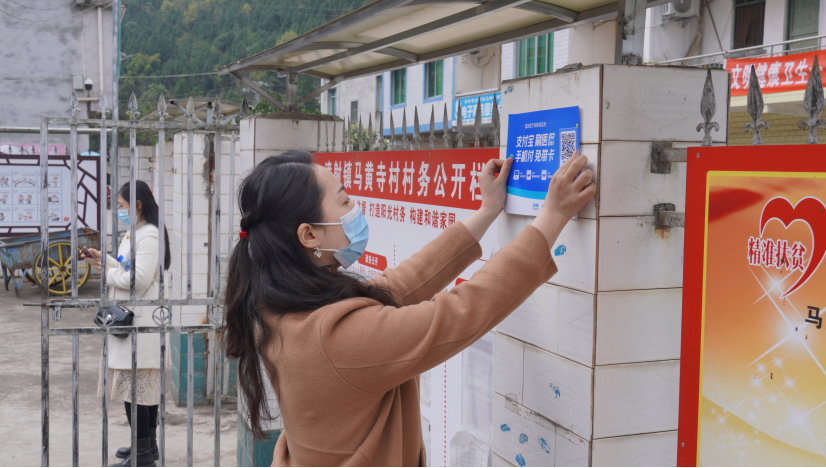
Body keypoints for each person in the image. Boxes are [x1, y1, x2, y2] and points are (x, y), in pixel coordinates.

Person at [223, 150, 595, 467]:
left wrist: (487, 211)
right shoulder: (335, 337)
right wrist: (552, 216)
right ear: (310, 235)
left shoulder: (283, 308)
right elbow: (459, 313)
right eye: (345, 201)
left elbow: (399, 284)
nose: (355, 208)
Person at [83, 180, 171, 468]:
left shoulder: (149, 235)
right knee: (140, 389)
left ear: (138, 205)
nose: (119, 210)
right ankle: (147, 446)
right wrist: (104, 261)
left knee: (135, 391)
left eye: (121, 206)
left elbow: (139, 279)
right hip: (135, 321)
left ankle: (142, 456)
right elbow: (126, 265)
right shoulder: (136, 233)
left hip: (140, 323)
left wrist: (105, 275)